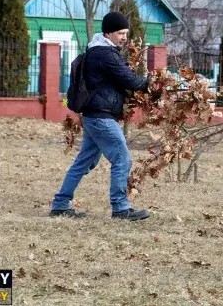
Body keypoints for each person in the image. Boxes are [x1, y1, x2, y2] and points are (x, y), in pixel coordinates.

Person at [49, 12, 150, 221]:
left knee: (84, 161)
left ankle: (60, 203)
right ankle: (121, 208)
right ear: (108, 32)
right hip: (100, 117)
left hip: (94, 116)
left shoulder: (98, 51)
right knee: (122, 157)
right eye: (121, 33)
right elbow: (130, 80)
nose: (124, 37)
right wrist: (151, 84)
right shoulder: (105, 54)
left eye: (125, 33)